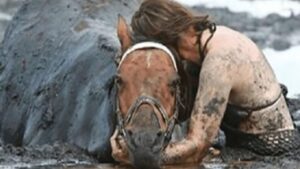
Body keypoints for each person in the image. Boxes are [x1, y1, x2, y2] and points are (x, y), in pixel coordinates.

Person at [112, 0, 299, 165]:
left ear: (166, 37)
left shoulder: (219, 62)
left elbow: (197, 146)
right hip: (243, 140)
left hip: (267, 151)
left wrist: (139, 156)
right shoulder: (209, 41)